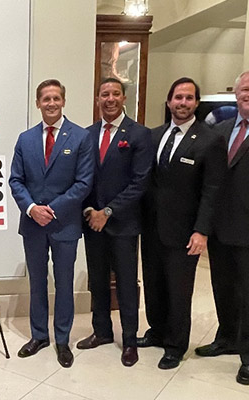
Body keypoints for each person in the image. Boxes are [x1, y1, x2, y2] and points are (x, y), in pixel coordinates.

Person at [137, 77, 227, 370]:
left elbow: (212, 190)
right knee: (154, 284)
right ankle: (157, 331)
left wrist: (202, 230)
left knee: (179, 290)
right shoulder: (154, 136)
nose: (183, 103)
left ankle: (175, 345)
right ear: (169, 102)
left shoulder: (209, 140)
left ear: (196, 103)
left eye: (189, 98)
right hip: (151, 228)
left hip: (185, 231)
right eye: (178, 97)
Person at [9, 79, 94, 368]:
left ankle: (61, 340)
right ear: (38, 103)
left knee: (64, 284)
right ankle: (39, 336)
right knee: (37, 283)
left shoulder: (80, 137)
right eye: (46, 98)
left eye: (56, 98)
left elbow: (83, 184)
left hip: (64, 225)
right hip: (32, 224)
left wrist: (52, 210)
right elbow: (16, 180)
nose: (51, 103)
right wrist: (33, 209)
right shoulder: (25, 139)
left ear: (63, 101)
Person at [77, 78, 153, 367]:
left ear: (123, 98)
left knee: (125, 284)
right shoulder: (87, 134)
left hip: (122, 223)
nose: (109, 99)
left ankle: (130, 340)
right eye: (104, 94)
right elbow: (81, 179)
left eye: (115, 94)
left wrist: (106, 211)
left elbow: (140, 182)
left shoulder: (138, 134)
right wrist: (89, 211)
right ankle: (102, 332)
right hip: (91, 223)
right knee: (97, 281)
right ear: (97, 98)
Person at [194, 71, 249, 385]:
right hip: (220, 227)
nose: (247, 94)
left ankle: (248, 356)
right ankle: (227, 337)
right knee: (223, 287)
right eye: (243, 89)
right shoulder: (221, 130)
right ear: (236, 94)